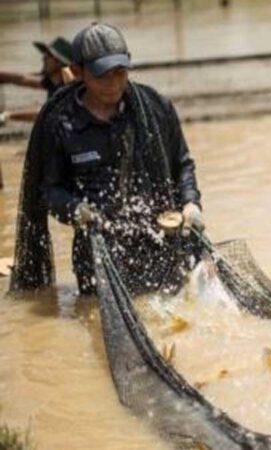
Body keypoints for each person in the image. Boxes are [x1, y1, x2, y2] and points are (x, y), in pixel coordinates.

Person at [10, 23, 203, 295]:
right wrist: (74, 209)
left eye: (120, 73)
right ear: (77, 72)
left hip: (161, 244)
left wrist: (191, 202)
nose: (113, 84)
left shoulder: (157, 108)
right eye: (102, 76)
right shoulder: (60, 124)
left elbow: (182, 164)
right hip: (96, 258)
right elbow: (49, 190)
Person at [0, 36, 76, 125]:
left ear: (58, 62)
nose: (43, 58)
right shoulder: (54, 81)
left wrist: (8, 115)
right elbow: (23, 79)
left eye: (47, 56)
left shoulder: (67, 91)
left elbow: (42, 112)